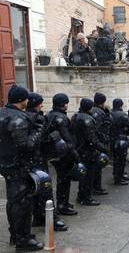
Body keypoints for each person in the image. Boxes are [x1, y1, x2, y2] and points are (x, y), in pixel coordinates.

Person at [0, 85, 44, 250]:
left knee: (13, 201)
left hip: (5, 164)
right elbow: (27, 145)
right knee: (22, 204)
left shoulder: (2, 113)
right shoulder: (19, 118)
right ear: (21, 100)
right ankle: (23, 239)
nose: (28, 101)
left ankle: (15, 234)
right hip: (18, 166)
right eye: (26, 98)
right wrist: (38, 129)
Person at [26, 93, 69, 232]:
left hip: (29, 161)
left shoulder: (26, 117)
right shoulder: (37, 118)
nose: (42, 105)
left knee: (34, 190)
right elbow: (37, 140)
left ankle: (38, 217)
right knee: (45, 190)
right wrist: (53, 138)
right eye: (40, 103)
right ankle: (52, 220)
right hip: (37, 160)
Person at [45, 93, 80, 216]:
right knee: (64, 180)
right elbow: (67, 139)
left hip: (54, 153)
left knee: (62, 179)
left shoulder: (49, 115)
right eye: (66, 103)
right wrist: (76, 156)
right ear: (63, 104)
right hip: (63, 154)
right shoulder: (61, 118)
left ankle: (63, 202)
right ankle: (62, 205)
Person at [72, 98, 107, 206]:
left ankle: (82, 195)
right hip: (87, 151)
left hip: (79, 149)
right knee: (88, 175)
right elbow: (91, 138)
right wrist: (102, 147)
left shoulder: (75, 116)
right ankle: (86, 197)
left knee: (83, 174)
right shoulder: (87, 119)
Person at [91, 92, 112, 195]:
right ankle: (96, 187)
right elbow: (102, 128)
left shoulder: (90, 110)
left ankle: (93, 187)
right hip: (97, 143)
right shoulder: (100, 112)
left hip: (92, 143)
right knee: (97, 167)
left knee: (93, 167)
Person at [110, 98, 129, 185]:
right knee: (121, 160)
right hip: (121, 139)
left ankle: (117, 175)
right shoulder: (123, 115)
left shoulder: (110, 114)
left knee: (116, 159)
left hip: (113, 139)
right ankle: (119, 177)